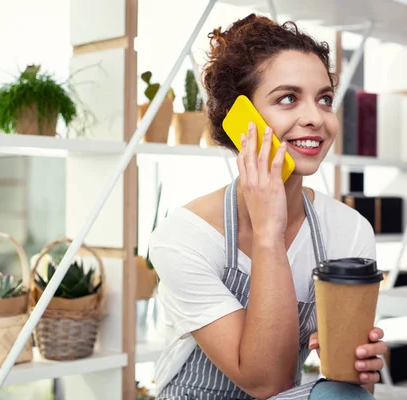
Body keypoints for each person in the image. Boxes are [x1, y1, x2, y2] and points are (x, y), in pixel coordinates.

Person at [148, 14, 387, 400]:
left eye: (324, 99)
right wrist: (269, 232)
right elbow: (266, 381)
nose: (316, 118)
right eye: (288, 98)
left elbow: (334, 374)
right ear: (240, 122)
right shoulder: (182, 237)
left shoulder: (350, 230)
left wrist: (357, 365)